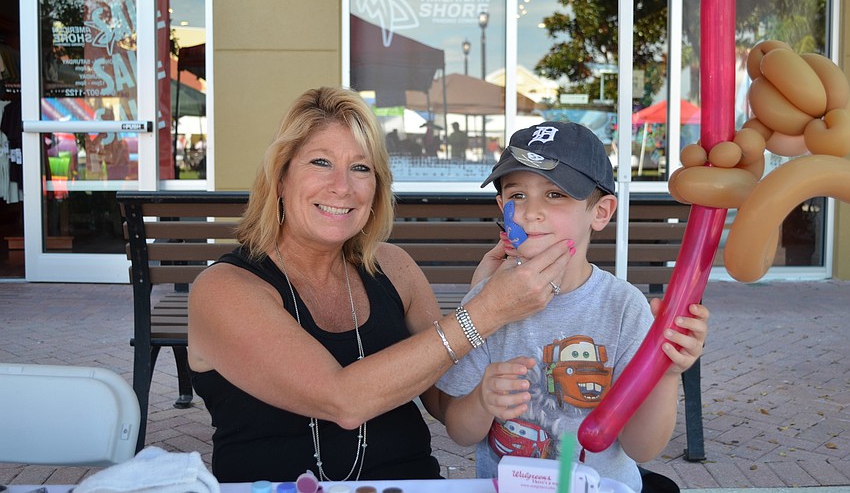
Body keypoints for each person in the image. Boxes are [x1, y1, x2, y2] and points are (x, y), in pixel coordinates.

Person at [187, 87, 574, 483]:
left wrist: (487, 299)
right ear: (281, 178)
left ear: (377, 189)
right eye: (321, 162)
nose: (342, 186)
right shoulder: (224, 289)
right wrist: (486, 310)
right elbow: (343, 401)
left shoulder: (392, 267)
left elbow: (446, 399)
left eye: (360, 168)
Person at [436, 121, 709, 493]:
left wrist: (666, 374)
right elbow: (460, 432)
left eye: (555, 195)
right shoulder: (485, 304)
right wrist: (483, 400)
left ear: (600, 212)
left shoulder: (624, 308)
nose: (531, 212)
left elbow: (642, 448)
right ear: (502, 207)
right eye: (517, 195)